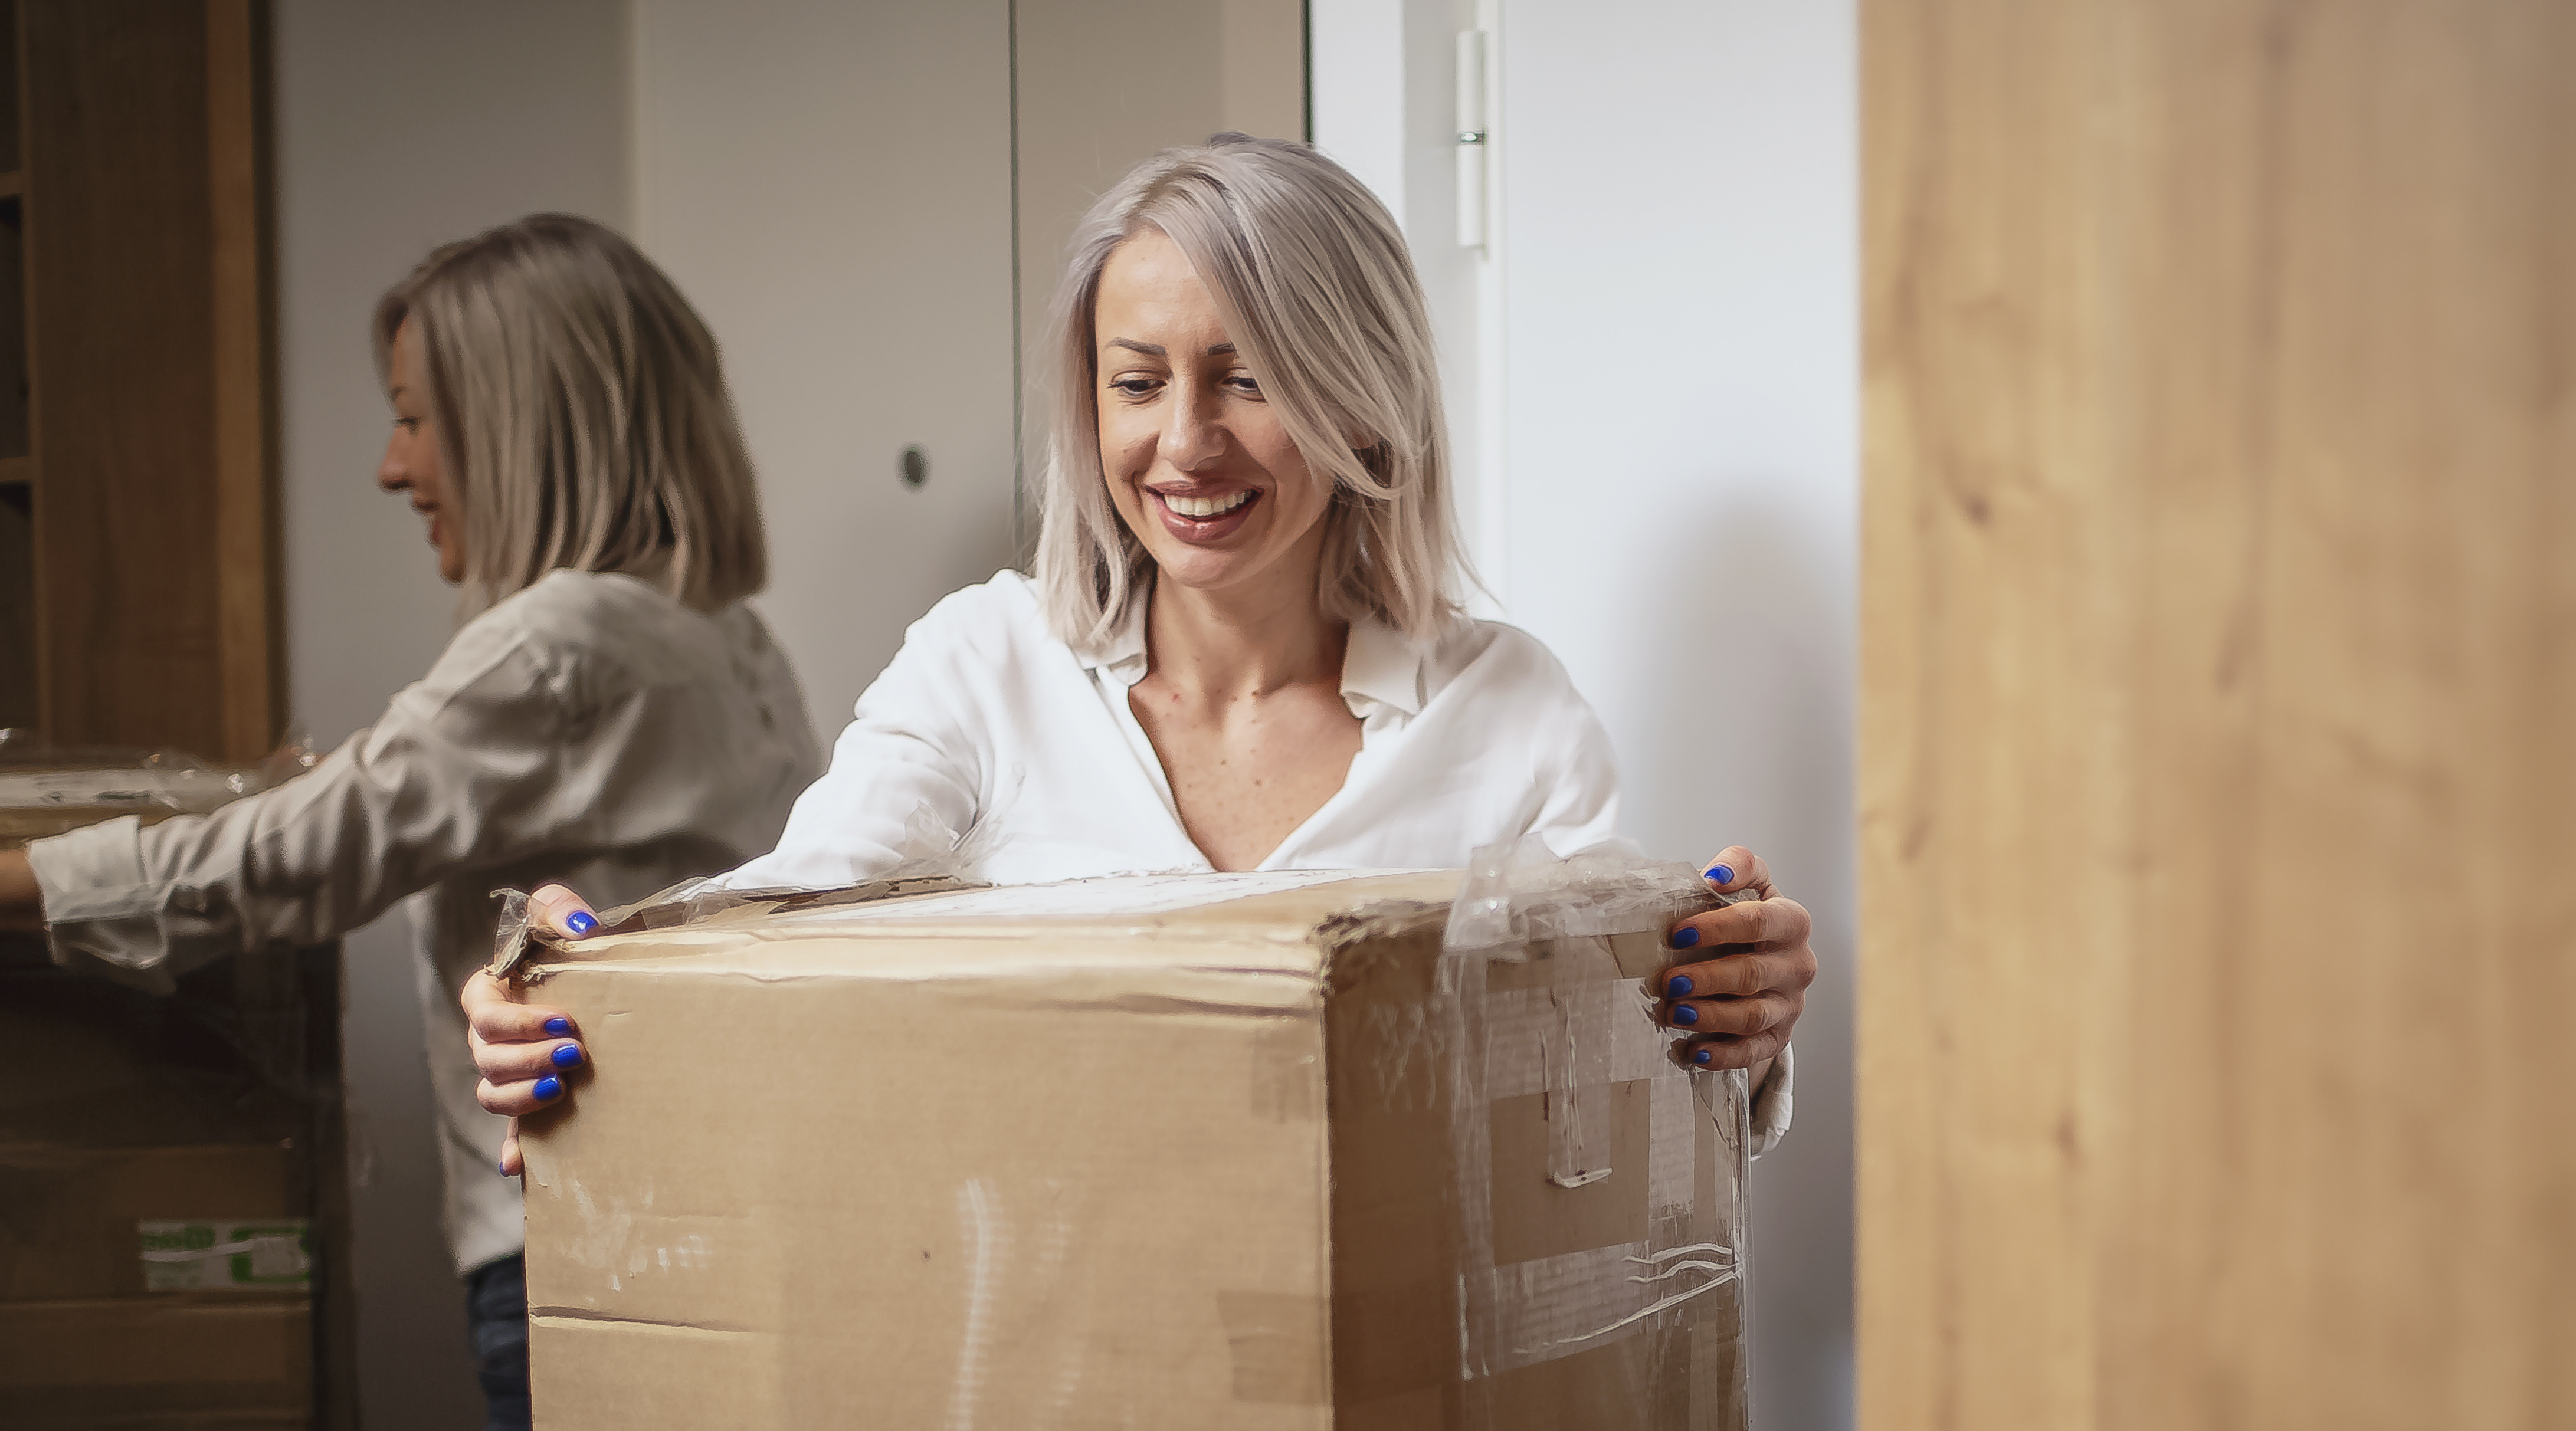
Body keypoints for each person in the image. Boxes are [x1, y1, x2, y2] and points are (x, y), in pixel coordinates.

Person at [466, 133, 1818, 1168]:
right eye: (1136, 381)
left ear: (1358, 392)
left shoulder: (1508, 712)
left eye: (1246, 377)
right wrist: (582, 987)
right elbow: (784, 929)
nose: (1182, 445)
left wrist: (1736, 1018)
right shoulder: (985, 665)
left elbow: (1604, 1112)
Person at [0, 214, 819, 1431]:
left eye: (416, 412)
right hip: (717, 1260)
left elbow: (299, 855)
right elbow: (406, 794)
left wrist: (19, 878)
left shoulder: (558, 642)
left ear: (525, 415)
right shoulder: (728, 642)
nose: (391, 465)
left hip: (568, 1279)